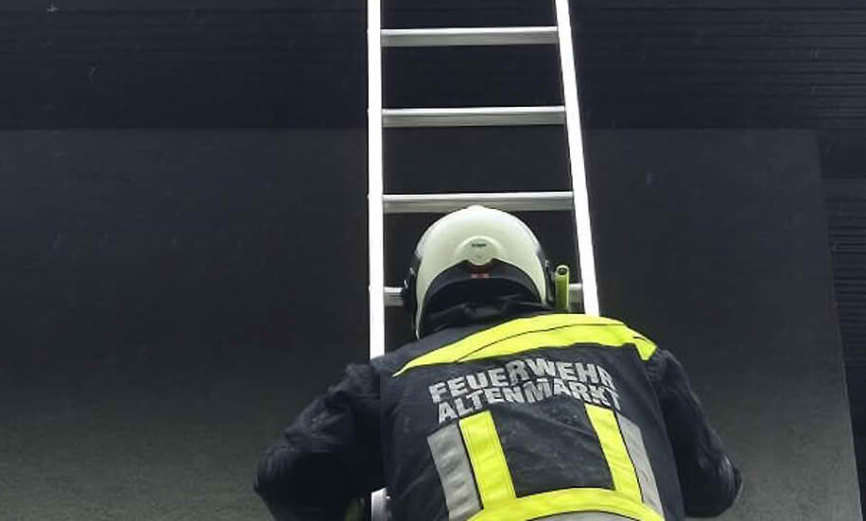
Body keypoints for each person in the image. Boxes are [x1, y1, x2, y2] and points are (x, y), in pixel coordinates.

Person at [255, 204, 742, 521]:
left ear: (421, 294)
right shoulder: (627, 349)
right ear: (542, 281)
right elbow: (711, 488)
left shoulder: (395, 377)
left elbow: (291, 479)